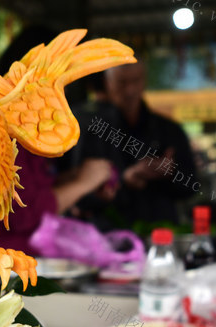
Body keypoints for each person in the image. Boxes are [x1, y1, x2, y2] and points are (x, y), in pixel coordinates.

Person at [0, 25, 115, 254]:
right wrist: (82, 184)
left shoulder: (30, 130)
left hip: (29, 261)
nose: (63, 93)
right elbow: (22, 214)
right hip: (1, 271)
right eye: (58, 80)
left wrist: (75, 178)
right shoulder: (2, 133)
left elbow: (31, 189)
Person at [70, 60, 198, 228]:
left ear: (144, 81)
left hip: (161, 231)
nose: (129, 90)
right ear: (108, 84)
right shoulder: (93, 132)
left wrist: (171, 172)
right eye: (122, 82)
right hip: (108, 235)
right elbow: (79, 195)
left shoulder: (168, 130)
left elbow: (192, 186)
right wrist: (124, 180)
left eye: (135, 81)